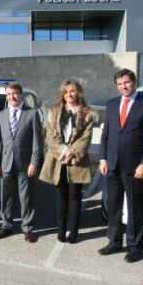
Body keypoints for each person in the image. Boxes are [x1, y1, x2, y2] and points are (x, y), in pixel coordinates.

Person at [98, 68, 143, 263]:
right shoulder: (112, 104)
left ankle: (135, 247)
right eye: (120, 84)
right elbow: (105, 135)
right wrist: (102, 158)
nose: (124, 86)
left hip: (135, 168)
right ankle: (114, 242)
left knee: (135, 209)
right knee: (113, 206)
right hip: (112, 165)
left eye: (126, 82)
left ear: (134, 81)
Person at [39, 80, 94, 244]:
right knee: (61, 196)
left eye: (72, 91)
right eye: (66, 92)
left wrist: (72, 152)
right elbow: (50, 135)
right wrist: (63, 152)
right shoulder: (54, 112)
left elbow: (86, 137)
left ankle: (74, 232)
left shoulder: (87, 113)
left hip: (77, 162)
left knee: (75, 197)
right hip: (58, 161)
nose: (69, 95)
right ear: (62, 94)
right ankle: (61, 230)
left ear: (78, 93)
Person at [0, 82, 43, 243]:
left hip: (25, 164)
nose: (12, 97)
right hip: (5, 163)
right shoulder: (1, 115)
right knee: (5, 197)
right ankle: (6, 225)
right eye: (8, 94)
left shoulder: (32, 114)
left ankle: (27, 228)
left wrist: (34, 162)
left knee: (26, 197)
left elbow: (37, 142)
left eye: (14, 94)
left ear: (20, 94)